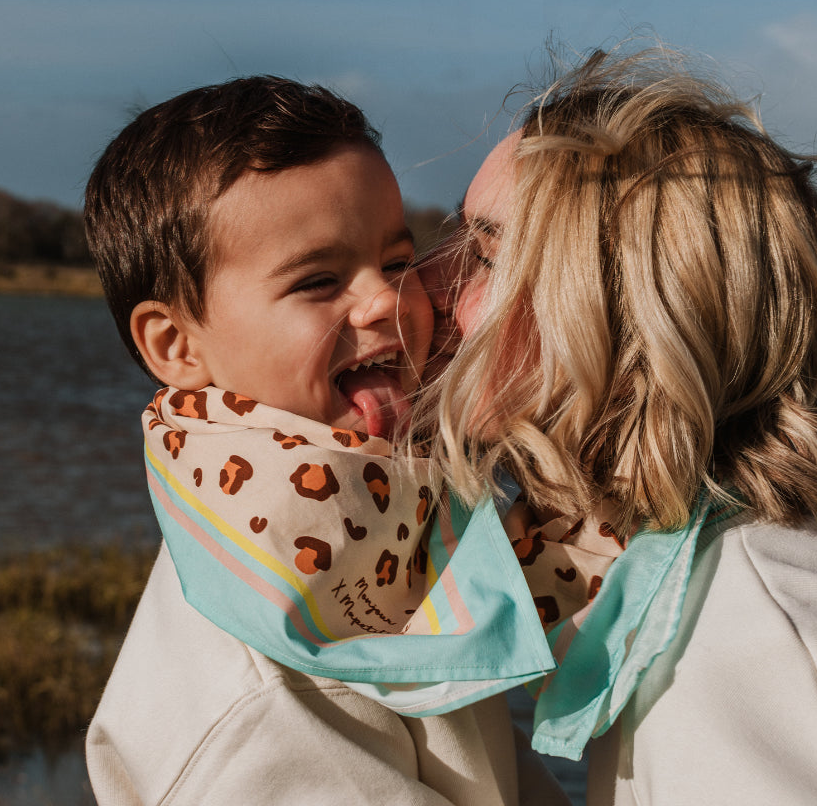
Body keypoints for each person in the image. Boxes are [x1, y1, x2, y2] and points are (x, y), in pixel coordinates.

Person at [81, 75, 575, 806]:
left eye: (399, 261)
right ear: (176, 344)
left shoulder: (384, 530)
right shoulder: (262, 693)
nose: (386, 299)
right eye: (318, 280)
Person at [420, 47, 817, 805]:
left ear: (620, 314)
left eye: (487, 253)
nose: (431, 286)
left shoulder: (752, 652)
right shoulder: (685, 590)